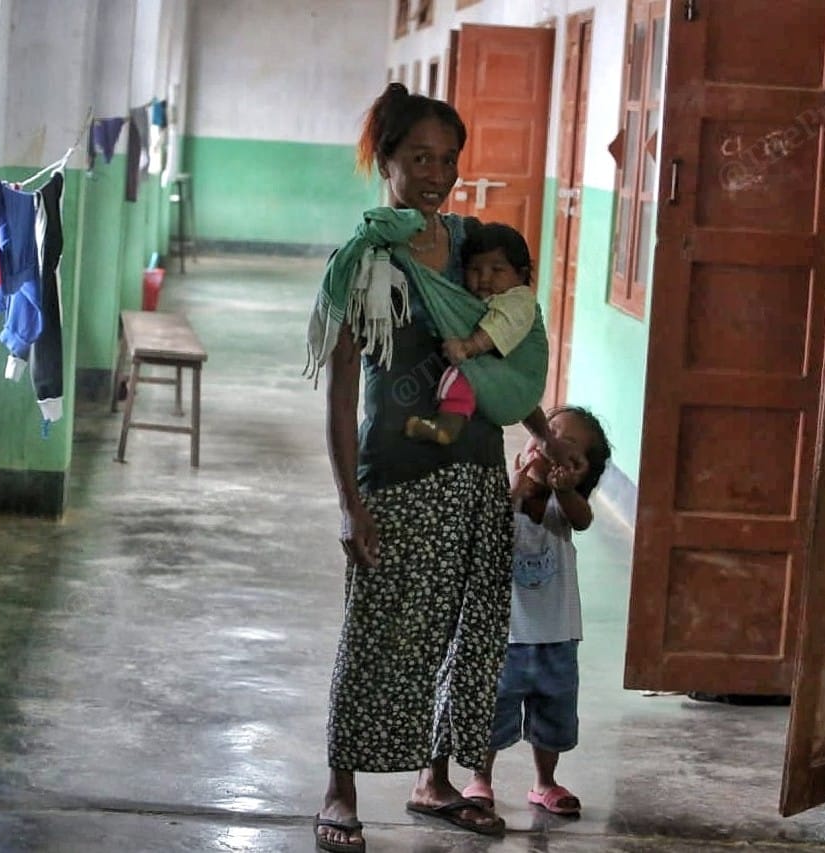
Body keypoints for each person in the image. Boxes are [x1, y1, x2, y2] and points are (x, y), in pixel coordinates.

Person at [304, 82, 585, 853]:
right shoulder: (367, 260)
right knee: (379, 630)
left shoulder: (469, 245)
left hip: (474, 471)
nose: (436, 172)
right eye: (418, 157)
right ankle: (341, 788)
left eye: (448, 158)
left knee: (469, 635)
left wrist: (543, 430)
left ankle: (435, 781)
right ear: (385, 160)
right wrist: (347, 500)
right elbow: (339, 388)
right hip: (395, 473)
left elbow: (504, 351)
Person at [462, 406, 612, 819]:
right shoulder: (506, 496)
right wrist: (519, 483)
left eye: (568, 444)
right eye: (549, 433)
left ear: (579, 469)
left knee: (553, 712)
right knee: (491, 710)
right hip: (504, 636)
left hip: (556, 635)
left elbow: (583, 519)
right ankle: (480, 779)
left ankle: (545, 781)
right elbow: (490, 525)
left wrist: (565, 490)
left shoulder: (564, 508)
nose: (552, 444)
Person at [405, 222, 538, 445]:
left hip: (506, 375)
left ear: (521, 274)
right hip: (490, 375)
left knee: (460, 375)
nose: (484, 278)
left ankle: (446, 425)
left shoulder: (520, 299)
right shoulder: (474, 300)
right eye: (475, 270)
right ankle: (447, 428)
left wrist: (469, 346)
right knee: (464, 378)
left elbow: (503, 324)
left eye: (497, 270)